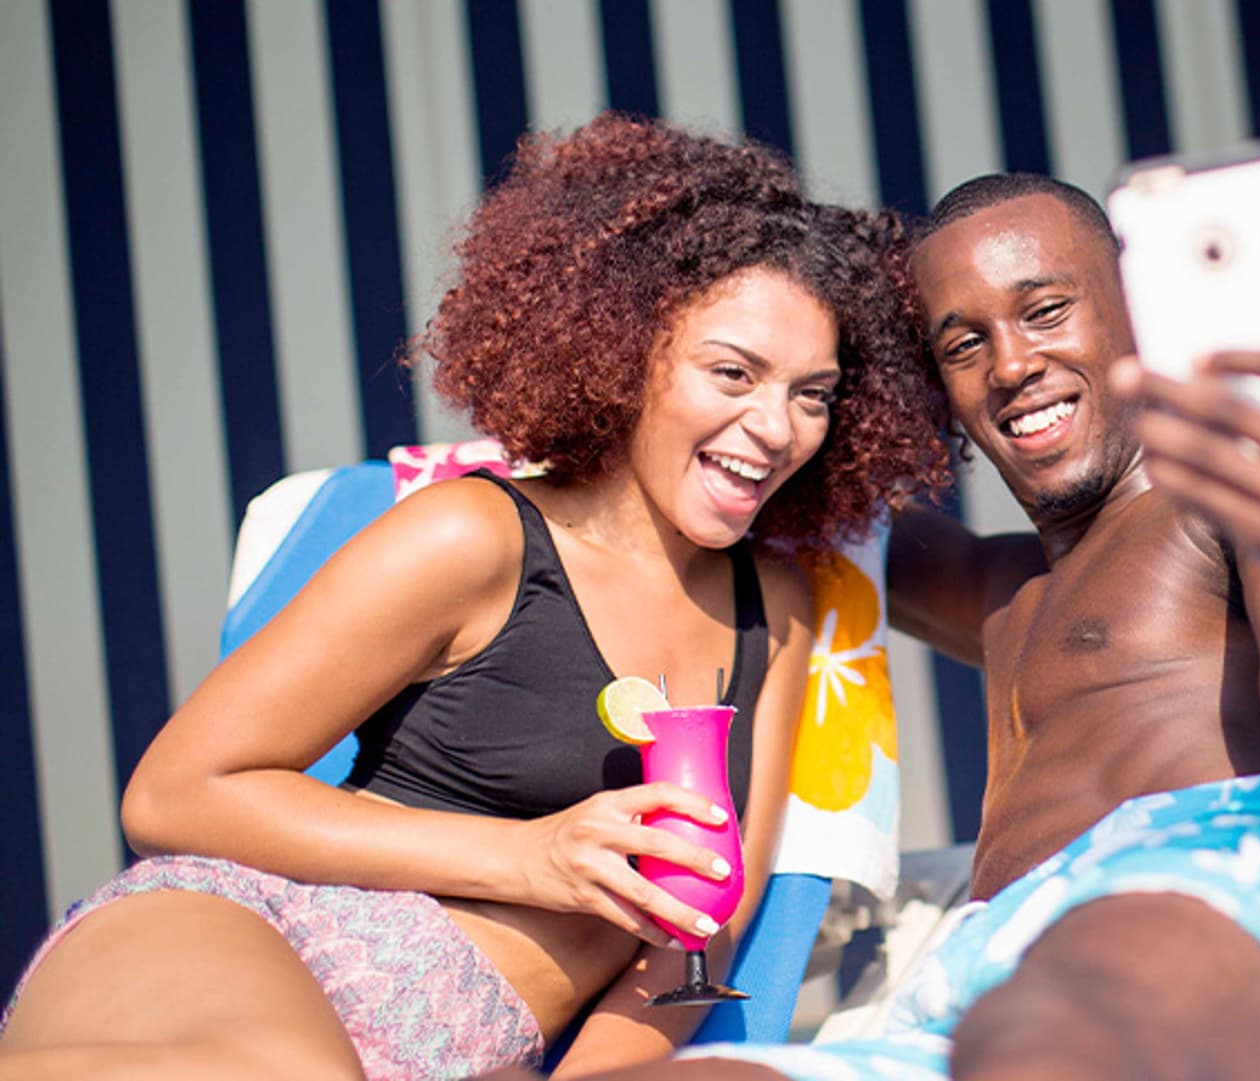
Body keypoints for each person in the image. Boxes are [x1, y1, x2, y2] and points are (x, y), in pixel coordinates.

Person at [0, 113, 950, 1081]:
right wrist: (529, 857)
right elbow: (175, 794)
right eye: (731, 373)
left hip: (460, 1047)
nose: (774, 426)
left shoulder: (775, 609)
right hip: (236, 944)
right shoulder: (470, 537)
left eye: (813, 393)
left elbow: (698, 927)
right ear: (625, 351)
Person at [543, 173, 1260, 1081]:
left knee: (1039, 1025)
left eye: (1046, 311)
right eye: (962, 345)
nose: (1013, 364)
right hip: (971, 993)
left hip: (1222, 908)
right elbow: (774, 485)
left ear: (1134, 315)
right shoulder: (997, 590)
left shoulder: (1216, 507)